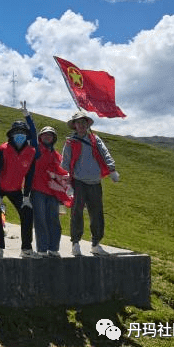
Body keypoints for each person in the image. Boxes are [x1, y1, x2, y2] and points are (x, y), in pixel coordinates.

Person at [61, 110, 119, 256]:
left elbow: (105, 153)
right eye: (78, 122)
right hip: (78, 182)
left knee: (97, 213)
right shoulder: (70, 142)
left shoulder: (95, 139)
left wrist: (112, 169)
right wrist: (67, 183)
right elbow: (65, 163)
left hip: (95, 181)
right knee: (77, 213)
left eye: (83, 122)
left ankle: (96, 244)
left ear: (87, 124)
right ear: (74, 125)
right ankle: (75, 243)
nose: (81, 125)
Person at [0, 109, 39, 259]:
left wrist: (26, 196)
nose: (20, 135)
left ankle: (26, 249)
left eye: (23, 132)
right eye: (16, 132)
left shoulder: (31, 152)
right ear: (11, 135)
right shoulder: (3, 149)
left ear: (27, 135)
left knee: (27, 213)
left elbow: (30, 175)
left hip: (16, 189)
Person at [32, 126, 69, 258]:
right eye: (44, 135)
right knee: (40, 220)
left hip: (53, 192)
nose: (47, 137)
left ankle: (53, 248)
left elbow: (63, 172)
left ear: (54, 138)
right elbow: (31, 132)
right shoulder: (35, 150)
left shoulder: (57, 155)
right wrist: (29, 119)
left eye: (50, 135)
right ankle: (42, 249)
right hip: (37, 190)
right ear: (40, 137)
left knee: (54, 221)